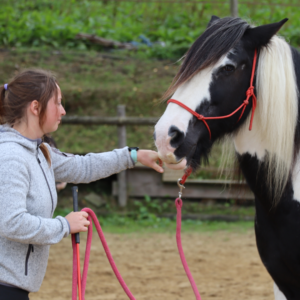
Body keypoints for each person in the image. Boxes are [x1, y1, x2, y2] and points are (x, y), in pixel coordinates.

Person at [0, 69, 164, 300]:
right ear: (35, 108)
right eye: (57, 103)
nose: (63, 110)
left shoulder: (40, 151)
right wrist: (64, 225)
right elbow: (11, 222)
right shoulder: (10, 157)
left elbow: (82, 166)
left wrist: (133, 156)